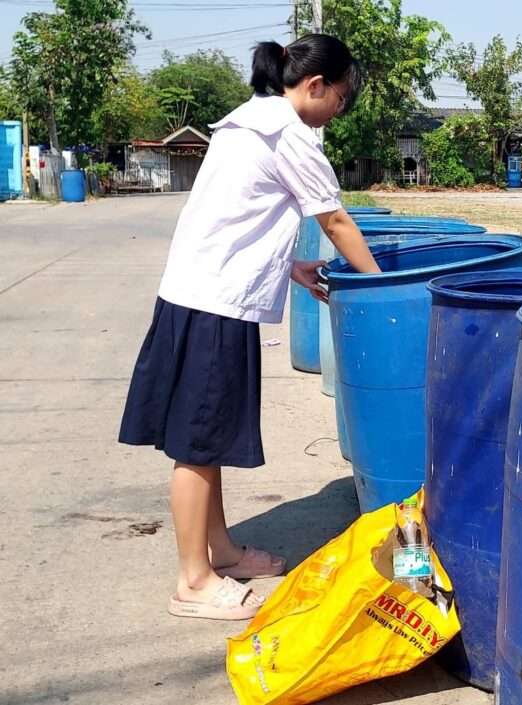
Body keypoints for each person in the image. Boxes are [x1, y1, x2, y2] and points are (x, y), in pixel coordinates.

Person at [118, 34, 381, 621]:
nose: (338, 111)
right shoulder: (289, 134)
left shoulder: (247, 120)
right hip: (215, 303)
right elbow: (336, 221)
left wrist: (291, 266)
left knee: (206, 436)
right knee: (197, 442)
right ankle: (193, 582)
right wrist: (384, 285)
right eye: (340, 99)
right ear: (315, 85)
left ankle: (220, 551)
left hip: (199, 293)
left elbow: (233, 217)